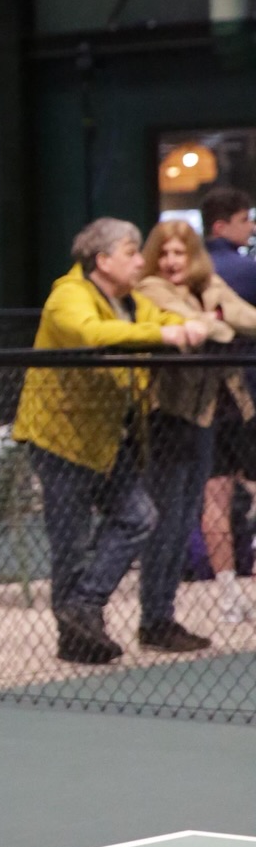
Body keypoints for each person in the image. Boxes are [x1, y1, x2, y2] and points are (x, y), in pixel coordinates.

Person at [12, 217, 205, 664]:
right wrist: (164, 335)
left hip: (106, 439)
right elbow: (90, 335)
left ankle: (83, 606)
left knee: (138, 516)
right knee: (70, 542)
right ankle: (76, 636)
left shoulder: (130, 302)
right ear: (102, 260)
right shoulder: (68, 296)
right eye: (131, 252)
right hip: (60, 437)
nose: (142, 261)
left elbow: (169, 317)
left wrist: (181, 324)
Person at [138, 220, 256, 639]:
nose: (171, 262)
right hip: (168, 417)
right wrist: (215, 321)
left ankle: (164, 617)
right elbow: (209, 326)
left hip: (211, 413)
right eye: (165, 253)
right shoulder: (151, 288)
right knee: (166, 521)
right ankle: (154, 618)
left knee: (187, 512)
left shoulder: (210, 283)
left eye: (179, 254)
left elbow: (247, 318)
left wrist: (215, 316)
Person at [198, 187, 256, 620]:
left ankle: (229, 598)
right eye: (244, 219)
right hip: (248, 398)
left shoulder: (188, 278)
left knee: (213, 495)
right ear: (222, 225)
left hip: (204, 401)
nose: (251, 227)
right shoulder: (246, 270)